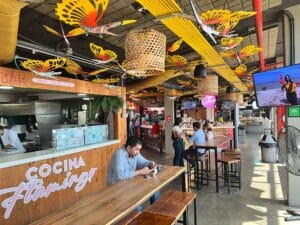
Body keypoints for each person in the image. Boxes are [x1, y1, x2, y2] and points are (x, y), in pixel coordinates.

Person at [106, 136, 159, 210]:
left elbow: (143, 162)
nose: (138, 152)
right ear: (128, 148)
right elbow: (119, 176)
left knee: (154, 190)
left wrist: (150, 163)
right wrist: (140, 172)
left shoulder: (134, 153)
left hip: (129, 184)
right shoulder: (119, 155)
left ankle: (156, 215)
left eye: (139, 149)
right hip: (116, 189)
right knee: (137, 208)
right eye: (136, 149)